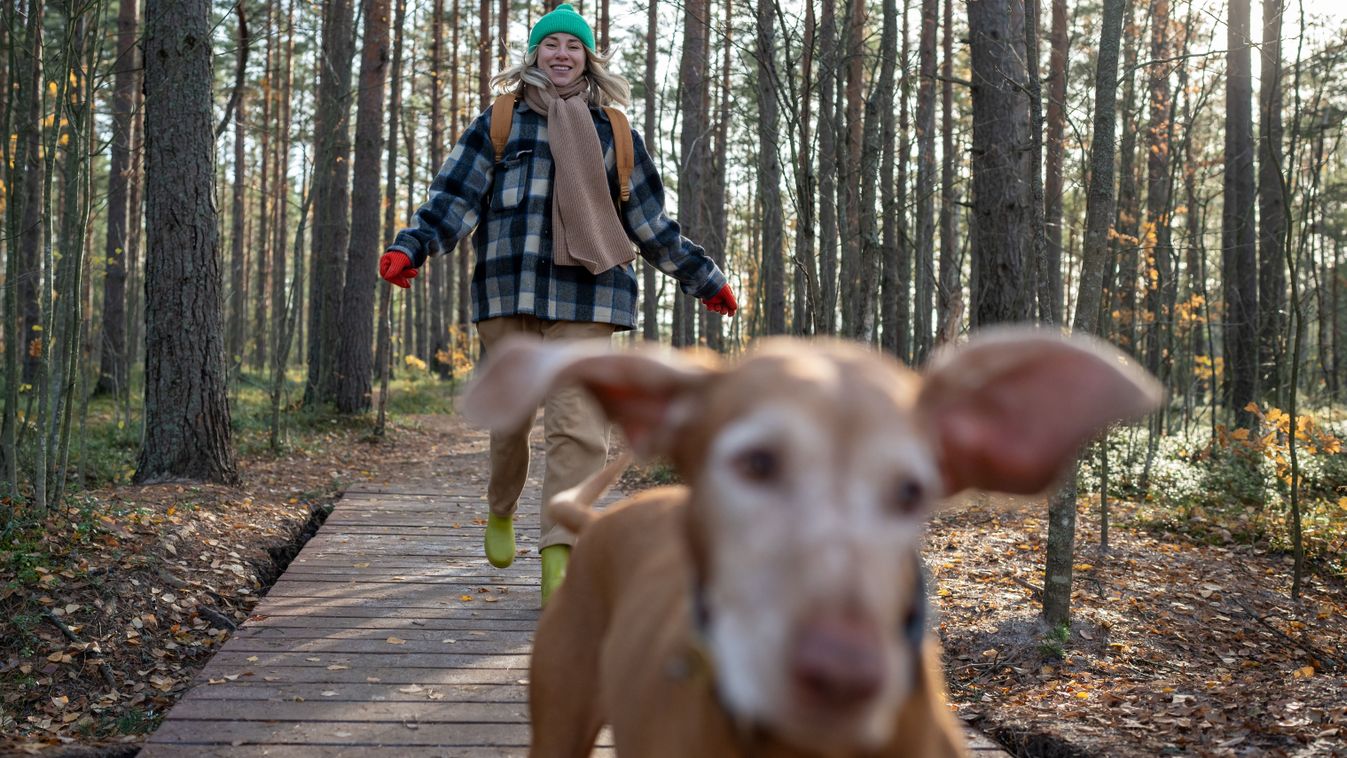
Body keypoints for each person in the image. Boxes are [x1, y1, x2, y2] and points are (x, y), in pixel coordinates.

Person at [379, 3, 737, 606]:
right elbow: (453, 199)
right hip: (506, 290)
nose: (562, 54)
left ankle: (559, 559)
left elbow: (648, 222)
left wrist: (704, 278)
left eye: (574, 45)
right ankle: (501, 510)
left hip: (588, 292)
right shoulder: (501, 121)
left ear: (588, 57)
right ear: (536, 56)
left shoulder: (615, 131)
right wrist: (412, 247)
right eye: (552, 45)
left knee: (578, 426)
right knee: (511, 422)